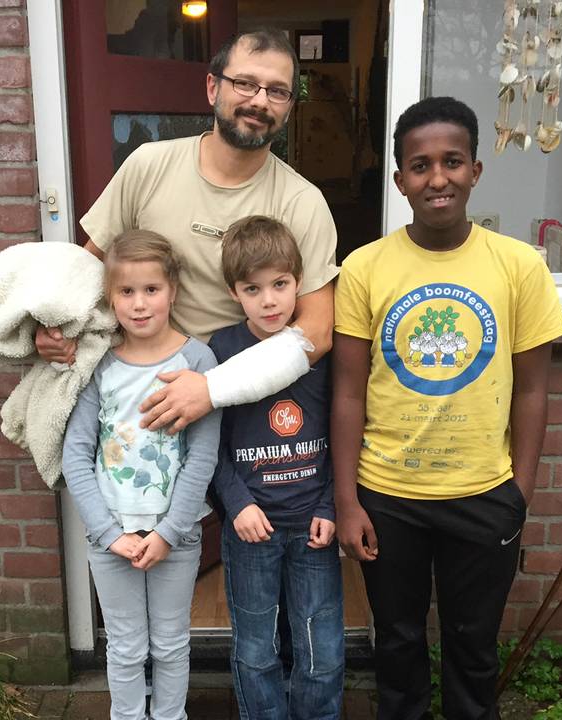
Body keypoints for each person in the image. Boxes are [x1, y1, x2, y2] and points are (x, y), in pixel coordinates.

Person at [331, 96, 562, 719]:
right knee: (399, 643)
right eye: (420, 165)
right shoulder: (364, 269)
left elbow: (534, 388)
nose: (437, 178)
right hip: (387, 495)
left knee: (473, 645)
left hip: (484, 494)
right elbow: (349, 392)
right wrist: (349, 501)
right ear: (400, 180)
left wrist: (520, 489)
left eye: (452, 161)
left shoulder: (519, 266)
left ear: (475, 171)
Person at [37, 29, 338, 434]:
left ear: (289, 107)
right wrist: (54, 331)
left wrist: (212, 389)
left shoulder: (304, 201)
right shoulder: (148, 165)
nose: (260, 101)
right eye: (245, 83)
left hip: (250, 410)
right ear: (213, 87)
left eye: (278, 91)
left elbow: (316, 332)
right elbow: (89, 267)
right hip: (146, 398)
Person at [61, 231, 222, 720]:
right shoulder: (99, 364)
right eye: (126, 292)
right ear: (110, 299)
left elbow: (202, 455)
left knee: (171, 645)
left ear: (173, 290)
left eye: (151, 289)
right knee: (127, 649)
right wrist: (108, 533)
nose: (139, 303)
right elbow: (76, 454)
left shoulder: (197, 361)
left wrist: (170, 533)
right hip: (109, 537)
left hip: (177, 534)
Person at [208, 216, 343, 720]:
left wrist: (329, 503)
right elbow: (208, 447)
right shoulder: (219, 352)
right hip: (251, 532)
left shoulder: (320, 351)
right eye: (253, 288)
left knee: (322, 649)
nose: (269, 300)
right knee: (256, 649)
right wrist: (236, 503)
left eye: (280, 284)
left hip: (313, 528)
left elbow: (341, 437)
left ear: (299, 283)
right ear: (233, 292)